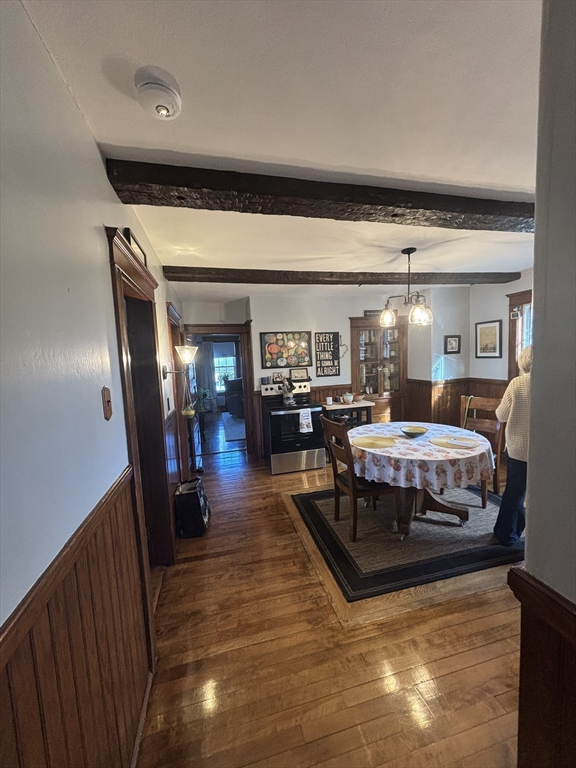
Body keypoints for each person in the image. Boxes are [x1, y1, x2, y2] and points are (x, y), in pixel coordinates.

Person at [492, 345, 532, 546]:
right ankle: (523, 532)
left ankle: (506, 534)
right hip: (543, 449)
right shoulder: (551, 386)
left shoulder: (517, 384)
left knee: (514, 492)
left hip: (518, 448)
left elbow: (501, 415)